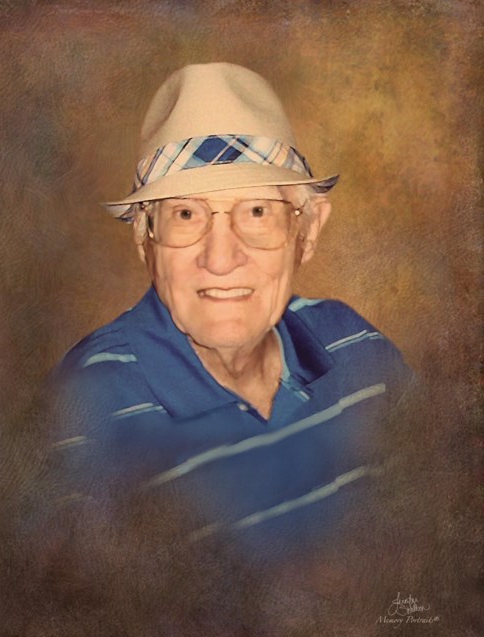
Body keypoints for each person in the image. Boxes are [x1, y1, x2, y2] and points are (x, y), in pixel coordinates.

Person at [50, 62, 412, 568]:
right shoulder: (90, 408)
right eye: (185, 214)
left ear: (306, 233)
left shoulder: (360, 350)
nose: (220, 259)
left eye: (258, 212)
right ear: (144, 239)